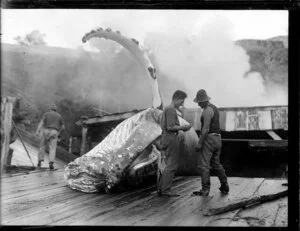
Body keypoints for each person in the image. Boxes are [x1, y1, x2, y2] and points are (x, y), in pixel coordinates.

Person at [193, 89, 229, 196]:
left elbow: (205, 129)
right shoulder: (214, 108)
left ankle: (205, 189)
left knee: (204, 165)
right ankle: (224, 185)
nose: (198, 104)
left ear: (204, 101)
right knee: (216, 163)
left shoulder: (207, 110)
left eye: (199, 102)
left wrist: (199, 143)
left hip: (209, 139)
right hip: (218, 139)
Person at [157, 90, 191, 197]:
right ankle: (166, 190)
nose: (182, 103)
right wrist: (184, 127)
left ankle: (161, 188)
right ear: (176, 98)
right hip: (171, 138)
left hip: (165, 138)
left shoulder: (167, 108)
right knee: (172, 165)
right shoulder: (171, 109)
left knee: (167, 165)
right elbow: (170, 127)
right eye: (181, 101)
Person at [35, 104, 65, 170]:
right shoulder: (59, 116)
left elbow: (42, 122)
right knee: (52, 148)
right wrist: (58, 133)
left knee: (42, 146)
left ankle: (39, 161)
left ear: (50, 109)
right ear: (56, 110)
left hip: (45, 131)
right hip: (54, 132)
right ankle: (51, 163)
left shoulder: (46, 114)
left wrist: (37, 131)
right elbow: (63, 127)